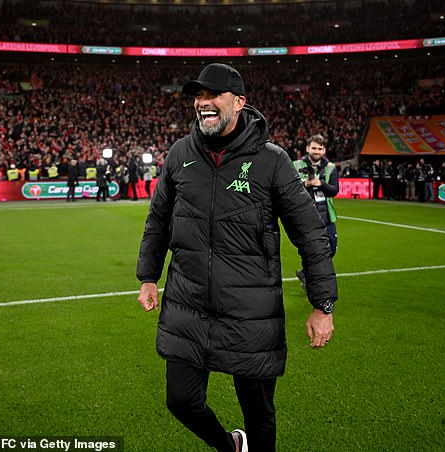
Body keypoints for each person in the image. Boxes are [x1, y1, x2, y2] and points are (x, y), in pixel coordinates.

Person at [136, 63, 338, 452]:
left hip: (251, 313)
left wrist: (322, 303)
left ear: (240, 102)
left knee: (259, 416)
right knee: (181, 400)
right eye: (198, 96)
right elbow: (158, 218)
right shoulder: (180, 154)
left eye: (213, 95)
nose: (203, 103)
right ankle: (229, 446)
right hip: (188, 306)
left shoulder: (272, 160)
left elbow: (310, 233)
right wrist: (148, 275)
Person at [293, 134, 339, 290]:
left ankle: (304, 273)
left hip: (326, 216)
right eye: (314, 148)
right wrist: (305, 183)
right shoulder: (296, 165)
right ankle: (311, 279)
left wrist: (320, 184)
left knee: (331, 249)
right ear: (307, 148)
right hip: (306, 216)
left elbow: (334, 191)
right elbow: (290, 189)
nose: (317, 151)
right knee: (310, 251)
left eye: (320, 148)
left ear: (324, 150)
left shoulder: (331, 167)